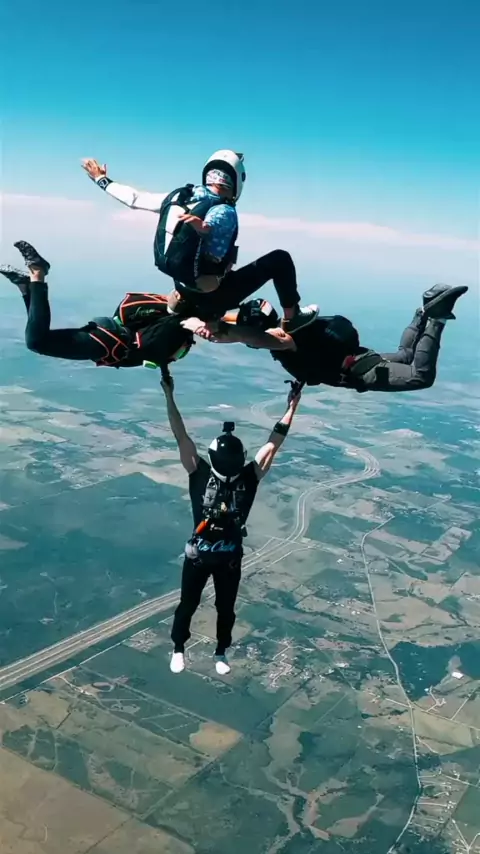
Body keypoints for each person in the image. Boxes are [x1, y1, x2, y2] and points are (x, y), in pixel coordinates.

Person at [82, 153, 318, 332]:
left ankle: (180, 306)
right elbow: (215, 251)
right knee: (280, 259)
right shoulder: (224, 211)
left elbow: (135, 199)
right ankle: (292, 318)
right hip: (213, 295)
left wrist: (101, 179)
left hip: (183, 287)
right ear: (236, 182)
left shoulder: (180, 199)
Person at [161, 375, 302, 675]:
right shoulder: (249, 476)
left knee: (201, 606)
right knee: (210, 607)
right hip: (223, 558)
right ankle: (200, 650)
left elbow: (180, 434)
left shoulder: (199, 472)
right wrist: (292, 407)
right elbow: (274, 442)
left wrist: (169, 395)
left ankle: (197, 649)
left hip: (206, 557)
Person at [210, 284, 469, 393]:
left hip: (359, 370)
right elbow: (245, 326)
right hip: (359, 356)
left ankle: (436, 317)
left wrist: (214, 331)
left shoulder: (280, 337)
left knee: (420, 376)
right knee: (406, 355)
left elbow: (253, 337)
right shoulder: (287, 323)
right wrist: (212, 318)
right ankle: (424, 310)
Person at [0, 241, 196, 370]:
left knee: (41, 338)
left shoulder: (179, 324)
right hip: (110, 343)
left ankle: (27, 287)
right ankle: (37, 272)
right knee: (37, 342)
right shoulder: (182, 323)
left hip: (110, 336)